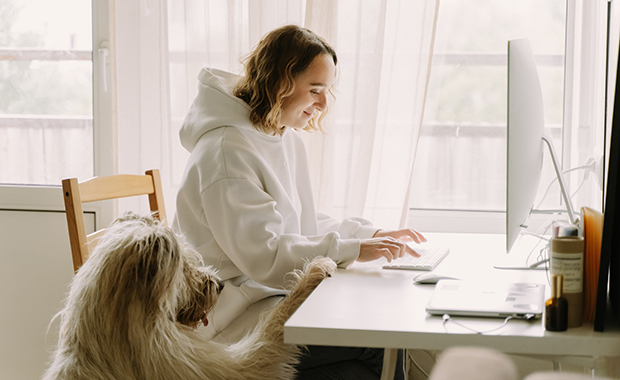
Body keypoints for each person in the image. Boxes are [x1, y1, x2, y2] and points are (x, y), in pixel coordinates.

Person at [173, 24, 426, 380]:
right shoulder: (226, 152)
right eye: (315, 90)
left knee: (373, 355)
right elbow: (267, 256)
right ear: (280, 83)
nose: (324, 104)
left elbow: (300, 224)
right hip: (228, 319)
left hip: (267, 300)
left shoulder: (280, 136)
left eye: (327, 91)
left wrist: (369, 235)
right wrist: (353, 249)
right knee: (379, 344)